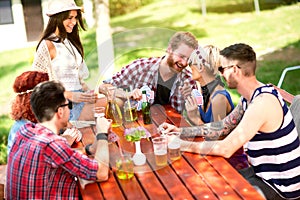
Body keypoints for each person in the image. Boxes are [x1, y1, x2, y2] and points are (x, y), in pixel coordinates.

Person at [159, 43, 300, 199]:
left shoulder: (262, 103)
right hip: (262, 175)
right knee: (203, 186)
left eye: (222, 69)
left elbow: (226, 149)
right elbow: (223, 127)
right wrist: (180, 131)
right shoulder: (249, 99)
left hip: (281, 186)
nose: (219, 74)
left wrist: (179, 144)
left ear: (234, 70)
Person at [6, 81, 110, 199]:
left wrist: (89, 148)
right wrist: (102, 133)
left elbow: (57, 157)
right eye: (68, 105)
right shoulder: (52, 144)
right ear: (60, 111)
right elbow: (101, 173)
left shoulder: (25, 130)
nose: (69, 110)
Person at [180, 45, 248, 170]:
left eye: (191, 65)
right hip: (211, 156)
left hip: (230, 164)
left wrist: (194, 118)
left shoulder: (219, 98)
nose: (189, 68)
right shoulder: (201, 89)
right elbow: (203, 129)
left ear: (201, 67)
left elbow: (217, 140)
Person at [99, 31, 198, 113]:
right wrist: (127, 95)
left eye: (188, 59)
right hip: (138, 128)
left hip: (169, 131)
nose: (184, 63)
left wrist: (189, 98)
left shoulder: (189, 81)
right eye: (181, 56)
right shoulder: (141, 67)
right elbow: (103, 87)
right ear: (169, 49)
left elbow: (194, 117)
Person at [32, 0, 96, 121]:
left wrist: (88, 92)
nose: (74, 22)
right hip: (64, 107)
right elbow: (39, 86)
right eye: (70, 18)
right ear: (57, 18)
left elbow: (76, 78)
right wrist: (70, 95)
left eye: (75, 17)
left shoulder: (69, 40)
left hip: (80, 103)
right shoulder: (48, 44)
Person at [7, 70, 81, 155]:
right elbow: (41, 158)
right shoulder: (24, 129)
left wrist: (72, 131)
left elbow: (66, 127)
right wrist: (65, 140)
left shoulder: (42, 118)